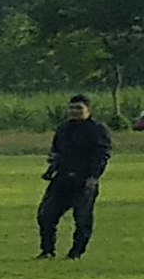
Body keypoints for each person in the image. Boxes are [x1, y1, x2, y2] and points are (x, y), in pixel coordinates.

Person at [35, 94, 108, 259]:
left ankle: (76, 252)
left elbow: (102, 155)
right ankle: (47, 250)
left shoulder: (97, 130)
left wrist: (93, 176)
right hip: (62, 179)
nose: (75, 111)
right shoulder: (63, 129)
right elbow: (56, 151)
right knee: (46, 215)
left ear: (88, 110)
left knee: (82, 219)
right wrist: (52, 165)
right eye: (72, 108)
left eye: (79, 108)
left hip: (84, 180)